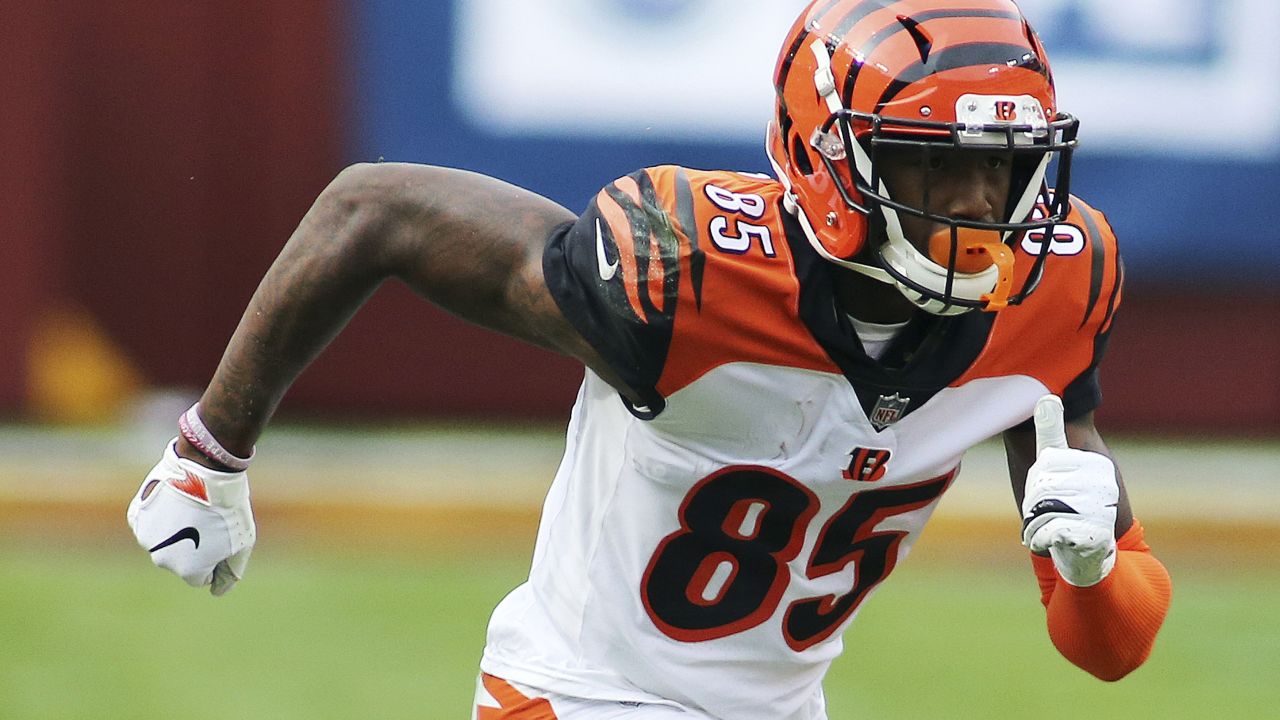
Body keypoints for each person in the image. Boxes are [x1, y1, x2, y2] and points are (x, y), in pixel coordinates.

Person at [127, 1, 1173, 718]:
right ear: (825, 154)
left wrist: (1087, 571)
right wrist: (208, 449)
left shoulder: (1054, 291)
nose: (974, 210)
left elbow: (1109, 650)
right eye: (928, 166)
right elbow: (374, 208)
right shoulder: (685, 272)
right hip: (578, 695)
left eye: (1001, 169)